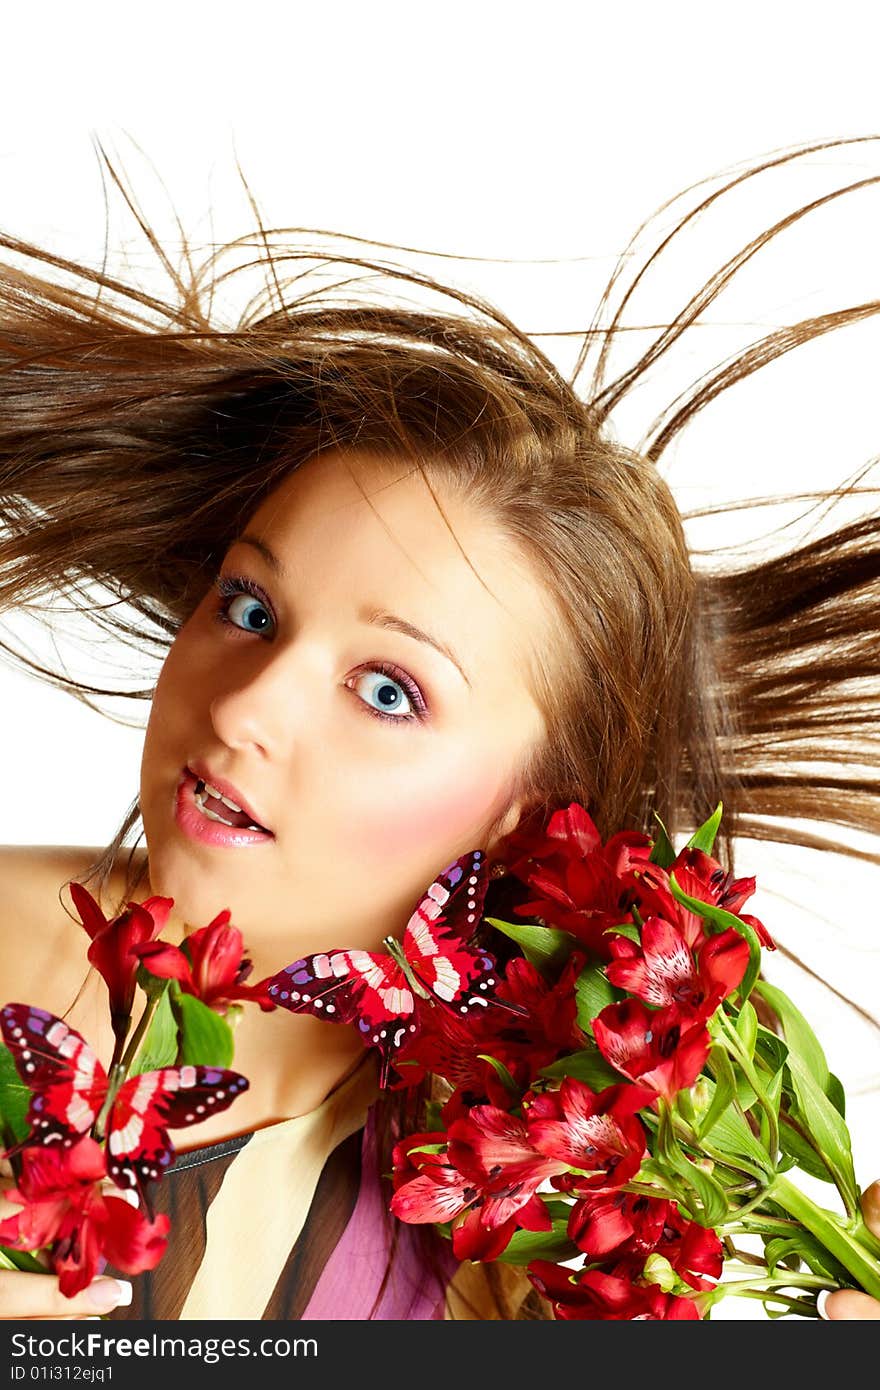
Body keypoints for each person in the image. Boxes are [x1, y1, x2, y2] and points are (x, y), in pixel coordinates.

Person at [0, 135, 878, 1321]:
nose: (244, 703)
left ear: (523, 807)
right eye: (250, 608)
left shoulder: (529, 1225)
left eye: (388, 689)